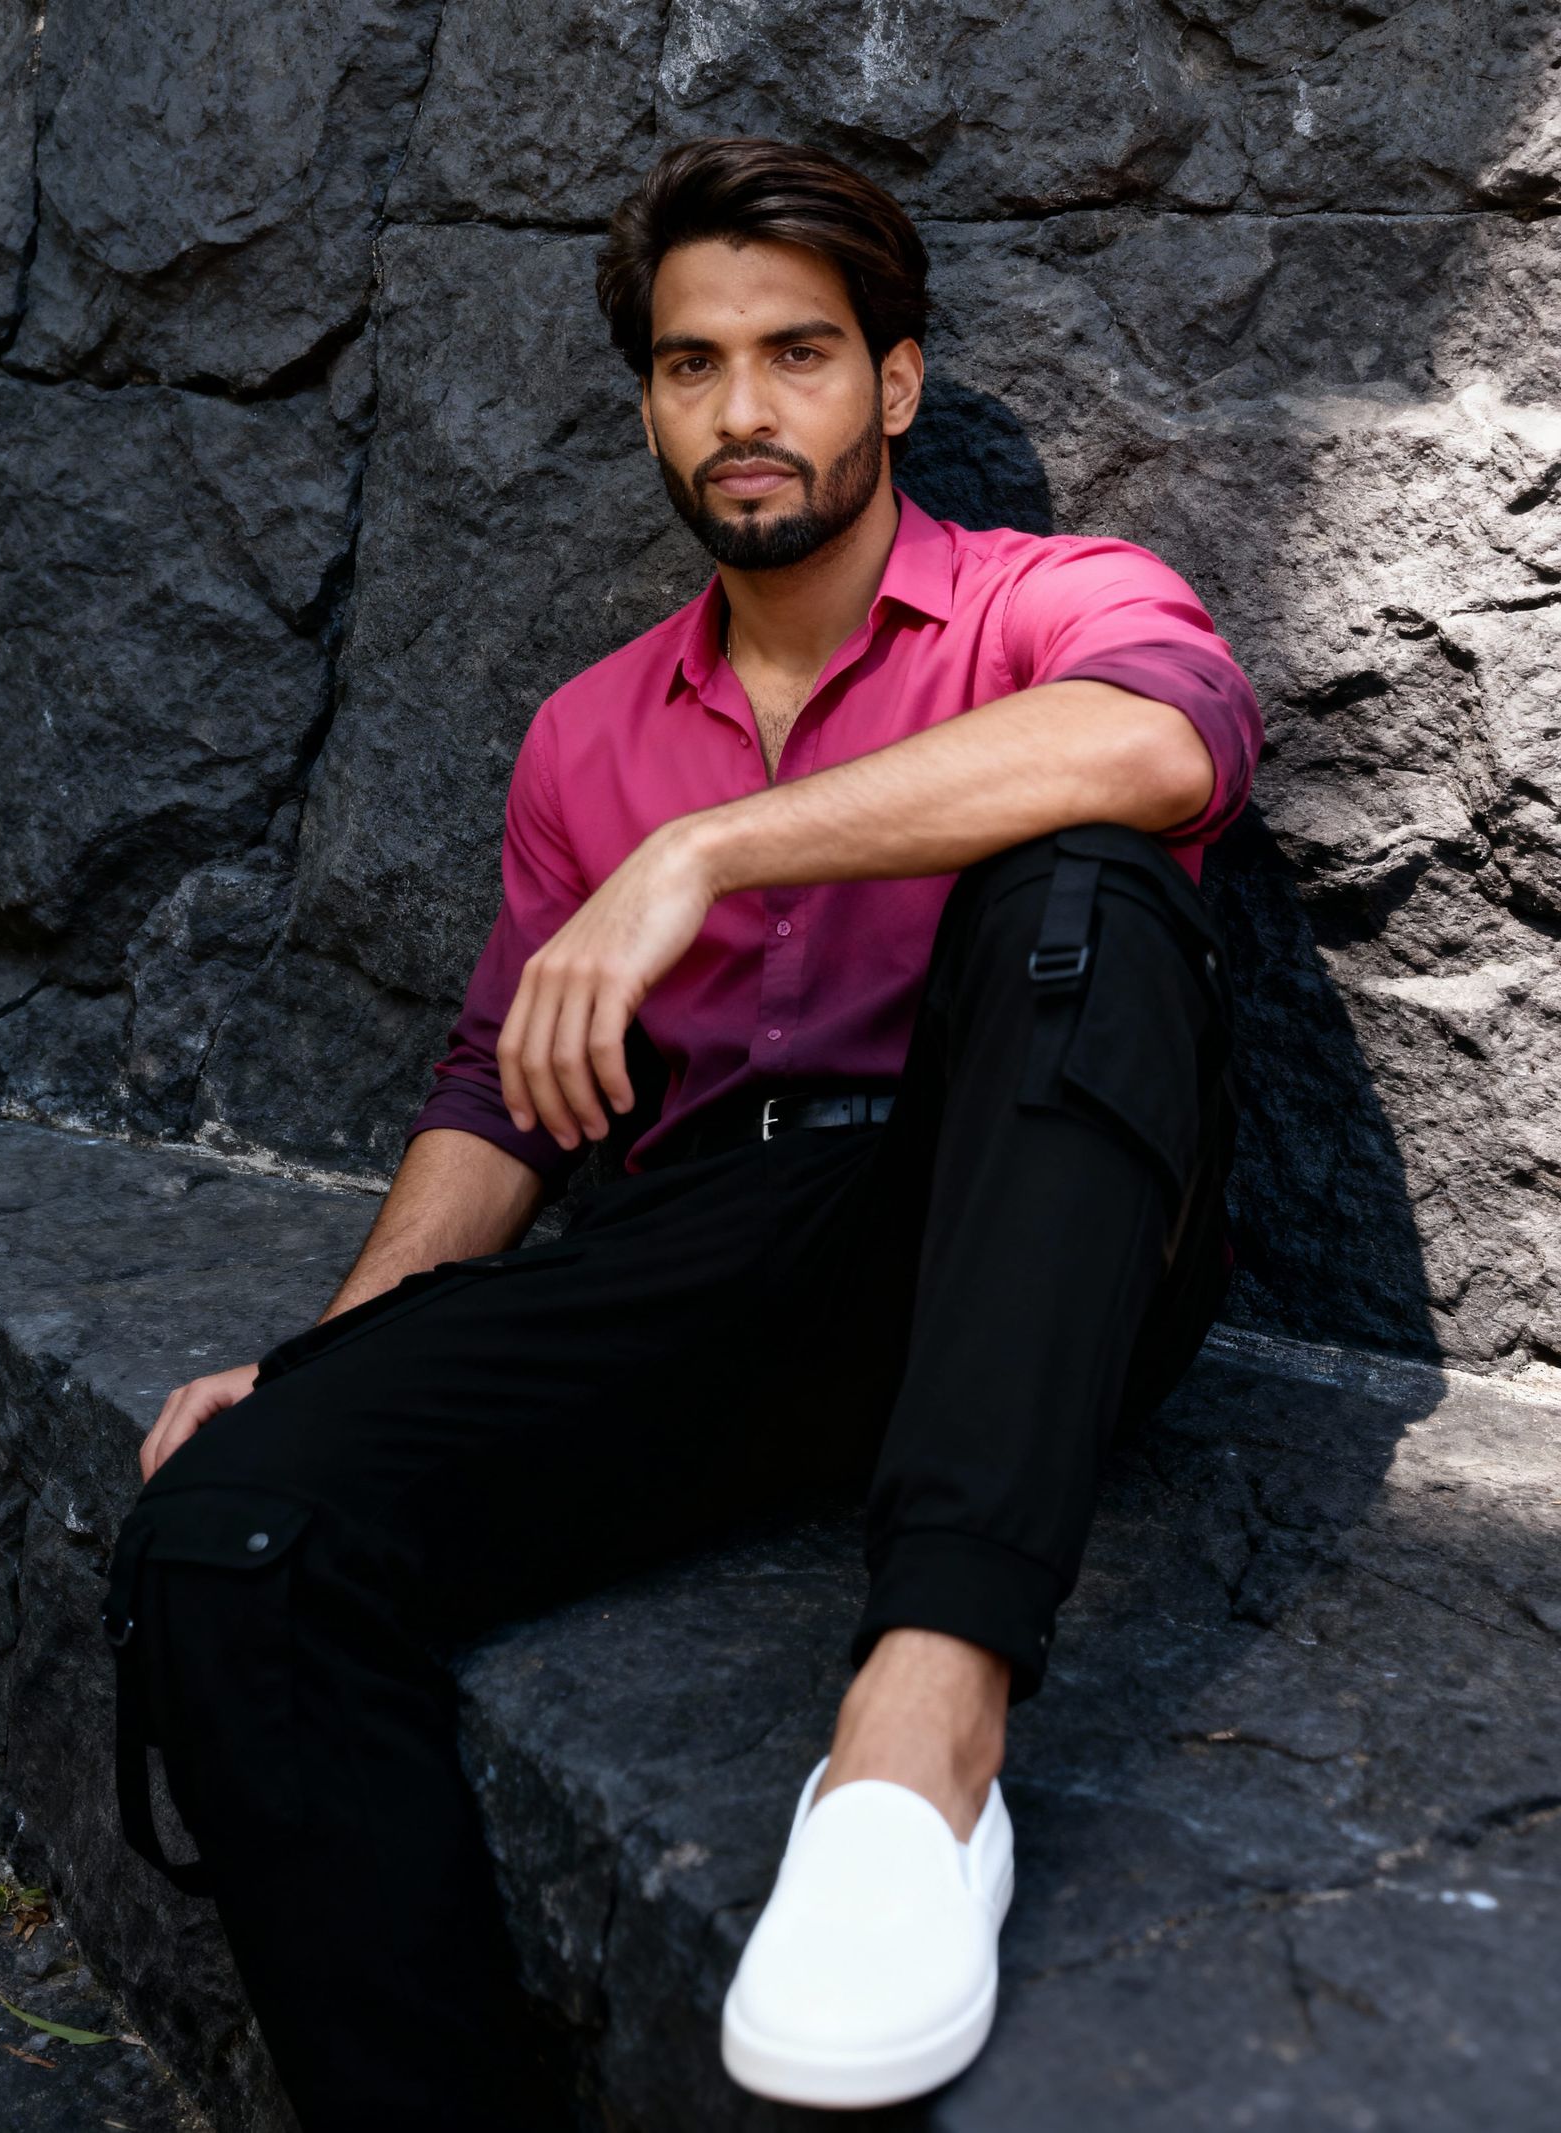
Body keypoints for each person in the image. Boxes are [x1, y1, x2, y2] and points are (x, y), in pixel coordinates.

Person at [99, 133, 1261, 2126]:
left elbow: (1159, 741)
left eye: (796, 353)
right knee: (227, 1535)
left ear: (892, 382)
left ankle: (919, 1734)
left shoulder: (1043, 599)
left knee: (1083, 879)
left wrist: (702, 851)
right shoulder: (584, 732)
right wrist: (330, 1357)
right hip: (718, 1260)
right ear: (644, 395)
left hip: (1004, 1222)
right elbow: (499, 1089)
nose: (741, 409)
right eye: (688, 360)